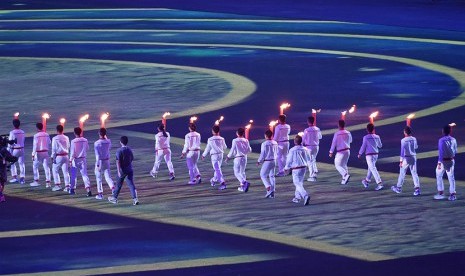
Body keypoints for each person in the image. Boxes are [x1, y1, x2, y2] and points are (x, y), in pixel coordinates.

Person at [108, 136, 138, 205]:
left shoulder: (119, 150)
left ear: (120, 142)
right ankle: (135, 199)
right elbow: (132, 158)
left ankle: (114, 198)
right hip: (129, 169)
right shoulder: (129, 149)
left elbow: (118, 162)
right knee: (131, 185)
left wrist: (118, 171)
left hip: (122, 170)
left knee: (118, 185)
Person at [391, 126, 421, 196]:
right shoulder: (414, 138)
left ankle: (398, 188)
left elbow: (402, 151)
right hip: (413, 157)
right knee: (414, 173)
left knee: (402, 173)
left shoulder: (403, 140)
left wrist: (401, 161)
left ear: (405, 132)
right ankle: (417, 189)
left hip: (406, 158)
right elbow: (416, 147)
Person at [284, 135, 311, 206]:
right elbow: (309, 159)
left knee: (297, 183)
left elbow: (289, 160)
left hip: (296, 169)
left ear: (294, 141)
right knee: (299, 183)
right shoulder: (305, 149)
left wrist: (286, 168)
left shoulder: (292, 150)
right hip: (303, 168)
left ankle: (305, 195)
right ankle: (297, 197)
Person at [434, 125, 457, 201]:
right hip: (451, 160)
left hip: (443, 161)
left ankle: (441, 193)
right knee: (451, 177)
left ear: (443, 131)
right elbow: (455, 151)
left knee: (438, 174)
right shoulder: (454, 139)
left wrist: (439, 163)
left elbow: (441, 152)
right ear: (450, 131)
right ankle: (453, 194)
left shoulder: (441, 140)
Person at [358, 123, 383, 191]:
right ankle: (366, 181)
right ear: (373, 129)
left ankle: (379, 183)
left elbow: (363, 146)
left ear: (367, 130)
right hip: (376, 155)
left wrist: (360, 153)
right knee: (371, 168)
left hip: (369, 156)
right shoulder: (377, 136)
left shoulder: (365, 137)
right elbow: (380, 146)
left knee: (373, 168)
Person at [202, 125, 228, 190]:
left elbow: (208, 148)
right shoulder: (222, 138)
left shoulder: (210, 139)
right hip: (221, 155)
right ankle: (213, 180)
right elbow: (225, 147)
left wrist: (203, 155)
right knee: (217, 169)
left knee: (217, 169)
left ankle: (222, 183)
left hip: (214, 156)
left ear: (213, 131)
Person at [226, 127, 252, 192]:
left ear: (237, 133)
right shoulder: (246, 140)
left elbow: (232, 150)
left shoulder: (235, 140)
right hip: (244, 157)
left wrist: (228, 157)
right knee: (242, 172)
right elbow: (249, 150)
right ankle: (243, 187)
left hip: (238, 158)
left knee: (236, 172)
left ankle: (244, 182)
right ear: (243, 133)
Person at [69, 127, 92, 196]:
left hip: (75, 160)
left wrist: (70, 160)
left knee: (73, 175)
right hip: (83, 159)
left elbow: (72, 152)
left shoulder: (73, 141)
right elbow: (87, 148)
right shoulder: (85, 140)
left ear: (74, 133)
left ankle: (72, 190)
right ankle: (88, 190)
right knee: (85, 175)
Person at [329, 120, 352, 185]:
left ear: (338, 125)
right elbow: (350, 141)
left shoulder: (337, 134)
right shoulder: (348, 133)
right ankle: (344, 180)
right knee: (344, 165)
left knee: (337, 165)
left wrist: (331, 151)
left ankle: (345, 175)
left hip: (340, 152)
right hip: (347, 151)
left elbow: (334, 143)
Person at [94, 128, 115, 200]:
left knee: (99, 178)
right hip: (106, 161)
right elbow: (109, 146)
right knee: (108, 177)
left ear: (99, 134)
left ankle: (100, 194)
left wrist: (97, 165)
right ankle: (113, 189)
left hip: (99, 161)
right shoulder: (108, 141)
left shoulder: (96, 143)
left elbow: (97, 155)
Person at [257, 130, 278, 198]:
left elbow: (263, 154)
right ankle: (272, 192)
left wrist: (259, 161)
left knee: (262, 175)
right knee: (272, 176)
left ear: (265, 136)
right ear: (272, 135)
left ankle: (269, 187)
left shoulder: (264, 144)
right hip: (274, 161)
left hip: (267, 161)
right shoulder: (275, 143)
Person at [30, 122, 51, 187]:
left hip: (38, 153)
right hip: (45, 152)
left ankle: (36, 181)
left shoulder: (36, 135)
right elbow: (49, 142)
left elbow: (35, 145)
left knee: (35, 167)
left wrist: (33, 154)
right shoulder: (47, 134)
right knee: (46, 167)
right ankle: (48, 182)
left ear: (37, 128)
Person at [50, 124, 70, 192]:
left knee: (55, 170)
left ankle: (57, 185)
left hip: (59, 156)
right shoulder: (66, 137)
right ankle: (67, 186)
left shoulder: (55, 138)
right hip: (66, 156)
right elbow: (68, 146)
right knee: (66, 172)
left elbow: (54, 149)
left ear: (57, 130)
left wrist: (52, 157)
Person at [302, 116, 322, 182]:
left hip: (309, 147)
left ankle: (312, 176)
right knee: (313, 160)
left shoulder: (306, 130)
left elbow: (303, 139)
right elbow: (320, 137)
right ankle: (315, 172)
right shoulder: (317, 129)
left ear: (308, 122)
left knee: (309, 161)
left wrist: (301, 144)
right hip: (316, 146)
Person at [0, 138, 18, 202]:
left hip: (2, 166)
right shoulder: (3, 149)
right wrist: (15, 159)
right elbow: (10, 158)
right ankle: (1, 195)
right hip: (2, 167)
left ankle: (1, 195)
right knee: (2, 181)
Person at [8, 119, 26, 184]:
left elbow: (10, 143)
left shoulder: (12, 132)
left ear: (13, 125)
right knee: (21, 164)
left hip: (15, 149)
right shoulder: (22, 132)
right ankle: (22, 179)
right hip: (22, 149)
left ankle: (15, 177)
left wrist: (8, 151)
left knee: (12, 163)